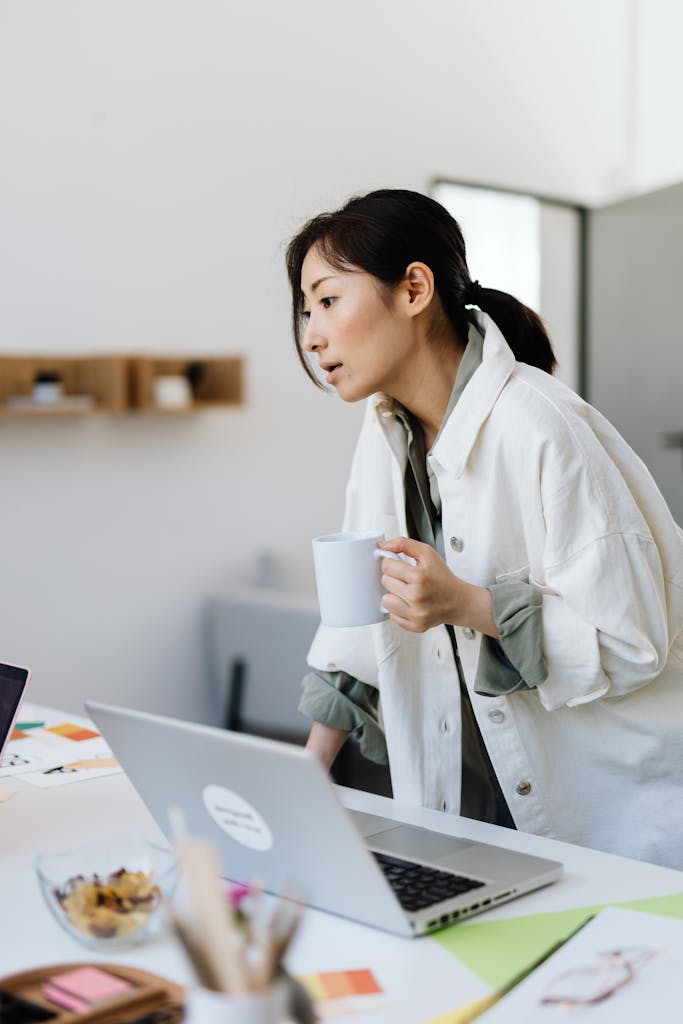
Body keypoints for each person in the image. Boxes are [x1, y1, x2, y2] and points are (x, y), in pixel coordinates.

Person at [285, 188, 683, 870]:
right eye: (304, 310)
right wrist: (300, 780)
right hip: (479, 804)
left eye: (327, 301)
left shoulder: (541, 424)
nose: (312, 334)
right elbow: (357, 621)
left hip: (619, 816)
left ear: (413, 289)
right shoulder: (383, 431)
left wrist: (466, 605)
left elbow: (630, 638)